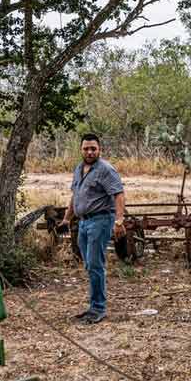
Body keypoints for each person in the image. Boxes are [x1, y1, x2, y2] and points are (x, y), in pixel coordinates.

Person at [60, 134, 126, 324]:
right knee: (89, 264)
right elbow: (75, 196)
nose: (90, 152)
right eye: (86, 148)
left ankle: (98, 308)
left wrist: (119, 221)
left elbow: (119, 194)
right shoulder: (79, 169)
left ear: (100, 150)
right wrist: (66, 218)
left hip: (100, 220)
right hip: (83, 222)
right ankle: (93, 306)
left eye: (93, 149)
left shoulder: (106, 170)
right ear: (81, 150)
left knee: (95, 264)